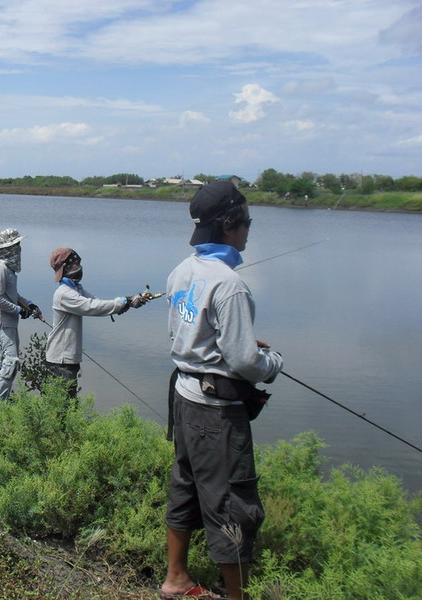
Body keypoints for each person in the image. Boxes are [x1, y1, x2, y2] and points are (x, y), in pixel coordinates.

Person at [159, 181, 283, 600]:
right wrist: (272, 363)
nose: (248, 230)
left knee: (186, 483)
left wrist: (240, 342)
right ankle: (237, 596)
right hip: (216, 412)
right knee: (233, 500)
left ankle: (176, 579)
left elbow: (186, 334)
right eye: (246, 222)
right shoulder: (230, 285)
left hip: (184, 397)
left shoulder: (182, 270)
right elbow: (247, 363)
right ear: (230, 225)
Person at [45, 247, 145, 398]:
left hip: (68, 358)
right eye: (75, 264)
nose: (79, 268)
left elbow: (97, 303)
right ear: (65, 268)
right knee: (63, 406)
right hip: (61, 359)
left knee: (68, 404)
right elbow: (90, 307)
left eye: (79, 264)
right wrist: (122, 303)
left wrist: (127, 302)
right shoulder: (64, 293)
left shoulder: (76, 289)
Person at [0, 228, 40, 401]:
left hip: (9, 322)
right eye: (16, 245)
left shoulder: (9, 269)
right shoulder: (0, 268)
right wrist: (19, 310)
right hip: (1, 323)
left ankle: (2, 398)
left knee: (7, 362)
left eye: (19, 245)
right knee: (11, 362)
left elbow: (12, 295)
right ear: (8, 247)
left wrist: (29, 305)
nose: (19, 249)